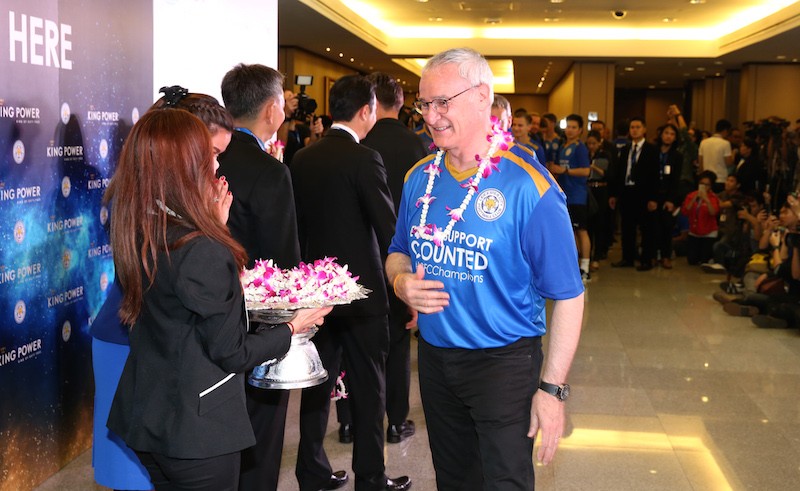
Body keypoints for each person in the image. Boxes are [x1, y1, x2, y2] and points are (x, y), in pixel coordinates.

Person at [387, 47, 584, 490]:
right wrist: (401, 280)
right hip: (436, 360)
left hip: (504, 364)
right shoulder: (419, 177)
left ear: (481, 97)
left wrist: (552, 391)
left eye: (444, 102)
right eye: (424, 103)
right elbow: (398, 249)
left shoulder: (529, 187)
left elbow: (569, 294)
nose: (431, 116)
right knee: (454, 480)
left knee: (504, 482)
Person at [104, 108, 330, 491]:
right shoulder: (203, 248)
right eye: (207, 152)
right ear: (184, 165)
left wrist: (214, 227)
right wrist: (294, 327)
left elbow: (180, 306)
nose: (217, 160)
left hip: (147, 415)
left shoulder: (138, 226)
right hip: (197, 431)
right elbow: (234, 352)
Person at [91, 86, 239, 491]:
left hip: (147, 340)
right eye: (208, 151)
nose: (213, 165)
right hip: (132, 342)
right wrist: (213, 233)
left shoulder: (151, 196)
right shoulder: (146, 203)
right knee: (135, 478)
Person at [217, 63, 338, 491]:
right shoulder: (269, 171)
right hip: (258, 330)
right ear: (272, 109)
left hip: (207, 325)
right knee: (260, 439)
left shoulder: (204, 159)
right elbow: (283, 265)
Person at [291, 74, 411, 491]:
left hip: (317, 294)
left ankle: (312, 471)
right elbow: (387, 226)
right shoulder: (365, 158)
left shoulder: (303, 158)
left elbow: (299, 230)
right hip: (363, 295)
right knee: (369, 387)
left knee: (316, 384)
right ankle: (371, 478)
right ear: (366, 111)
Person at [362, 72, 427, 445]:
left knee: (357, 345)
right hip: (401, 254)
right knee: (398, 343)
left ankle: (351, 420)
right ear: (401, 102)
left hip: (357, 258)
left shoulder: (360, 139)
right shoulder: (417, 146)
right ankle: (396, 420)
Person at [609, 117, 660, 271]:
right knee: (627, 228)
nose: (634, 130)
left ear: (644, 129)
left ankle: (646, 259)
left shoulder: (652, 150)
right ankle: (628, 258)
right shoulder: (625, 149)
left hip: (644, 194)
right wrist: (614, 194)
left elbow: (655, 176)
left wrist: (653, 198)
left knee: (646, 229)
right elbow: (619, 173)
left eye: (638, 127)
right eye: (632, 127)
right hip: (627, 192)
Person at [548, 114, 592, 281]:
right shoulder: (562, 146)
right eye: (568, 126)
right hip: (564, 195)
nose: (570, 130)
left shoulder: (580, 148)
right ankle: (573, 265)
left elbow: (586, 171)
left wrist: (564, 170)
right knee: (569, 231)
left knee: (581, 230)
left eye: (574, 127)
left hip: (578, 196)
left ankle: (585, 267)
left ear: (580, 130)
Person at [654, 123, 683, 269]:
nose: (668, 136)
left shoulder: (677, 156)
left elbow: (676, 180)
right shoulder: (653, 151)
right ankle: (652, 255)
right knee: (653, 227)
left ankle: (665, 256)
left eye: (672, 134)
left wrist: (671, 200)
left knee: (666, 227)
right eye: (666, 133)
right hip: (653, 194)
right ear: (661, 134)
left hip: (668, 195)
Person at [682, 170, 721, 265]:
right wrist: (695, 198)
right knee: (692, 260)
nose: (704, 186)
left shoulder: (713, 197)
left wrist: (706, 200)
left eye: (707, 185)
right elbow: (685, 211)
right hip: (694, 232)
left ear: (711, 186)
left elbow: (713, 212)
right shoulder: (691, 195)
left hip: (708, 232)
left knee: (704, 261)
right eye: (702, 184)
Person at [698, 119, 734, 192]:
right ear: (725, 130)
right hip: (720, 179)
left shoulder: (703, 142)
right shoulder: (725, 143)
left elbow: (700, 163)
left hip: (706, 180)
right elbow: (728, 163)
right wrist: (734, 154)